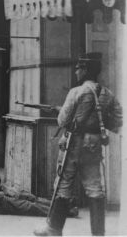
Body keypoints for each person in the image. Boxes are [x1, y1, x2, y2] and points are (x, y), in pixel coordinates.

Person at [34, 52, 122, 236]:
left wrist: (67, 114)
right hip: (94, 143)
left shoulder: (76, 91)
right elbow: (118, 120)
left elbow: (62, 120)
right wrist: (99, 122)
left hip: (75, 143)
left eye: (79, 68)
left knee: (64, 183)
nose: (76, 71)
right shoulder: (107, 93)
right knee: (94, 186)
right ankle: (98, 233)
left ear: (86, 70)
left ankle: (54, 229)